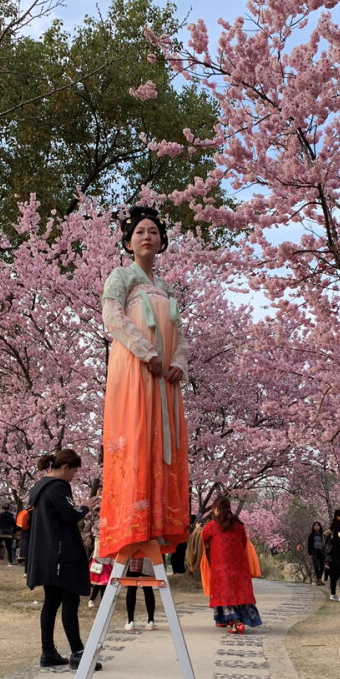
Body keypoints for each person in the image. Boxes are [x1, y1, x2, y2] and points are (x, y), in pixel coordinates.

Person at [98, 205, 189, 560]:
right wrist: (145, 351)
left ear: (162, 241)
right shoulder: (121, 277)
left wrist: (178, 362)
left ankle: (157, 524)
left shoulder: (167, 288)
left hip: (165, 380)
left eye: (153, 231)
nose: (147, 236)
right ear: (128, 241)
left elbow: (180, 333)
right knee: (136, 436)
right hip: (135, 371)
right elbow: (112, 316)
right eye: (140, 232)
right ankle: (130, 525)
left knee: (163, 441)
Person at [26, 449, 101, 669]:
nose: (74, 476)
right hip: (61, 553)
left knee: (52, 602)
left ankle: (48, 651)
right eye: (74, 471)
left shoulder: (39, 487)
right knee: (70, 600)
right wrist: (86, 506)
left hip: (45, 553)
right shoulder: (58, 487)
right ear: (66, 467)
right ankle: (78, 653)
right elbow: (70, 514)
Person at [202, 496, 262, 633]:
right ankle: (225, 620)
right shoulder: (239, 525)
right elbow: (244, 542)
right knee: (238, 593)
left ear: (217, 509)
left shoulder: (212, 526)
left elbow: (202, 539)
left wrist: (199, 530)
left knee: (225, 593)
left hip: (220, 567)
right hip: (240, 566)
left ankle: (236, 622)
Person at [124, 554, 156, 630]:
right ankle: (150, 620)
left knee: (132, 589)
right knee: (147, 589)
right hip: (145, 557)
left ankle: (130, 621)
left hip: (134, 557)